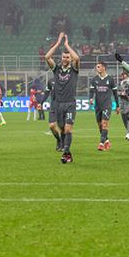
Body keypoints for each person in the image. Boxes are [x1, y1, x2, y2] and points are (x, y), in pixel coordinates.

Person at [45, 32, 81, 163]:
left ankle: (65, 153)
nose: (65, 59)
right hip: (58, 104)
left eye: (67, 57)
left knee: (67, 128)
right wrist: (58, 43)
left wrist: (67, 44)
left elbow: (77, 59)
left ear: (70, 59)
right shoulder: (57, 69)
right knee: (60, 129)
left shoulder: (74, 70)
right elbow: (47, 57)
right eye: (64, 57)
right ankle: (66, 150)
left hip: (70, 104)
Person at [89, 61, 120, 151]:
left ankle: (101, 143)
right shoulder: (94, 79)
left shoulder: (110, 79)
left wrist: (117, 105)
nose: (97, 68)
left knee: (104, 124)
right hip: (98, 105)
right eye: (97, 67)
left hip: (107, 105)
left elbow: (115, 93)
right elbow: (91, 91)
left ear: (103, 68)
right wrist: (91, 98)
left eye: (98, 67)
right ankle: (106, 140)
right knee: (100, 125)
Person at [42, 79, 63, 151]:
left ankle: (63, 144)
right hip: (54, 105)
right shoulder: (51, 81)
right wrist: (41, 102)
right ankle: (59, 140)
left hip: (63, 105)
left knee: (62, 127)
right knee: (51, 125)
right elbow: (47, 92)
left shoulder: (67, 79)